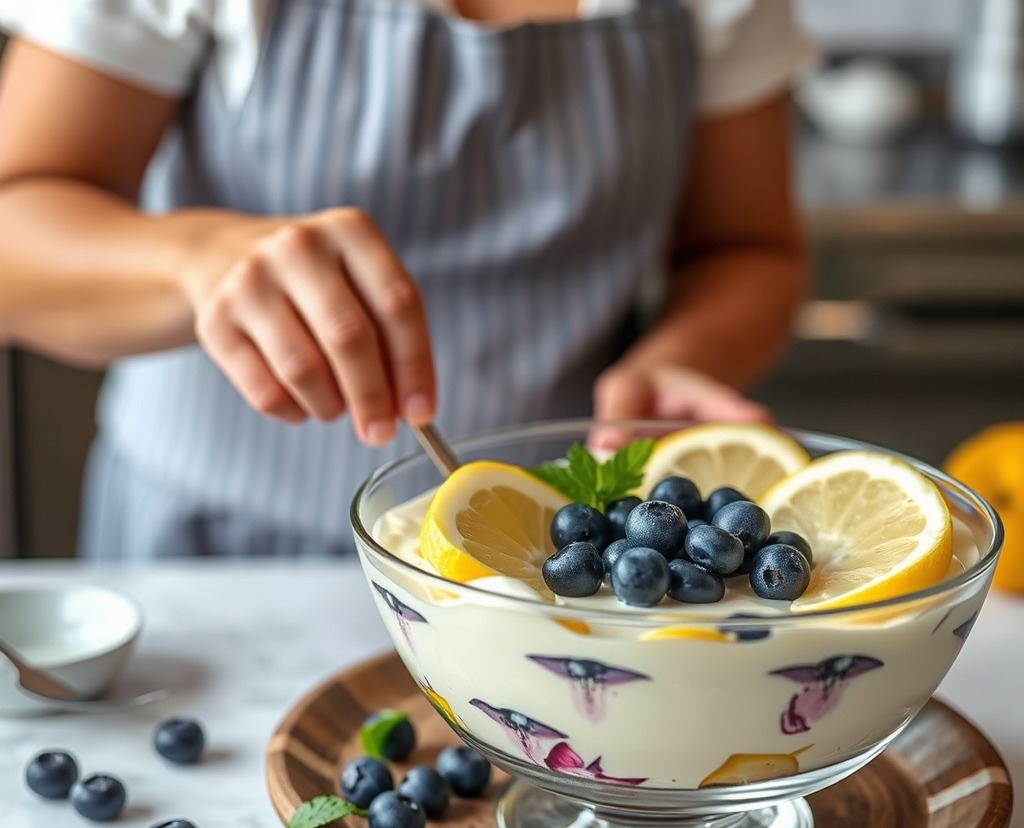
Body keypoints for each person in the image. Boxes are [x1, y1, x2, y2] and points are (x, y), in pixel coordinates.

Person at [0, 0, 814, 558]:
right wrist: (197, 260)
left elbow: (746, 247)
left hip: (531, 568)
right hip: (209, 552)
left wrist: (683, 356)